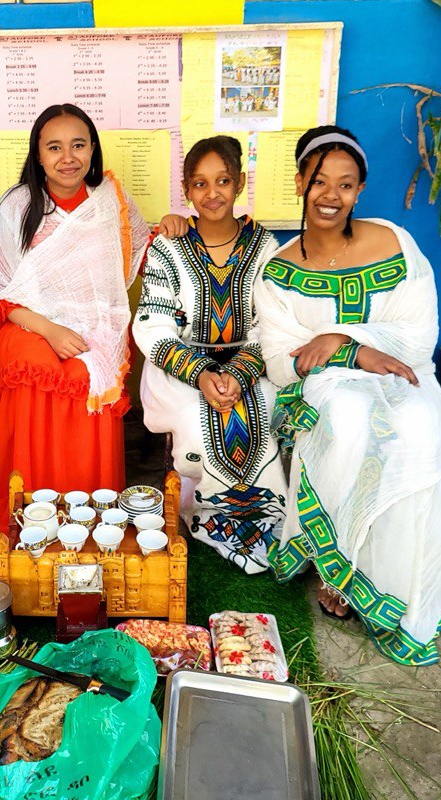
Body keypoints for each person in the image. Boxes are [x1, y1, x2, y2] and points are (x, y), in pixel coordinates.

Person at [253, 125, 441, 666]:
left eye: (345, 184)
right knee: (348, 420)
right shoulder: (277, 273)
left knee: (417, 430)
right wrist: (350, 356)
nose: (331, 195)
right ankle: (341, 569)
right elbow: (280, 362)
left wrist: (341, 340)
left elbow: (419, 337)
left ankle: (399, 581)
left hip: (402, 377)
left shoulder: (394, 242)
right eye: (319, 180)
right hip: (325, 388)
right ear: (299, 181)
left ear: (360, 190)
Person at [0, 103, 183, 534]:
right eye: (54, 147)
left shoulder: (110, 200)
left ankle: (86, 507)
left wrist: (168, 227)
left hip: (96, 328)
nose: (68, 157)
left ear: (93, 149)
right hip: (27, 324)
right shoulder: (18, 206)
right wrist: (51, 331)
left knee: (86, 370)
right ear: (38, 154)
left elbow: (137, 252)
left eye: (78, 145)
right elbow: (2, 296)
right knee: (34, 367)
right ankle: (28, 507)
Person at [133, 136, 288, 573]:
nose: (212, 193)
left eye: (223, 180)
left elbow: (272, 324)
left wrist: (238, 373)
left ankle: (264, 516)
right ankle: (201, 513)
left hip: (250, 363)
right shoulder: (168, 246)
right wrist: (201, 374)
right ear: (186, 189)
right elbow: (154, 324)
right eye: (200, 183)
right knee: (192, 414)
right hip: (179, 366)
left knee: (265, 405)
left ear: (240, 183)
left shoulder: (266, 247)